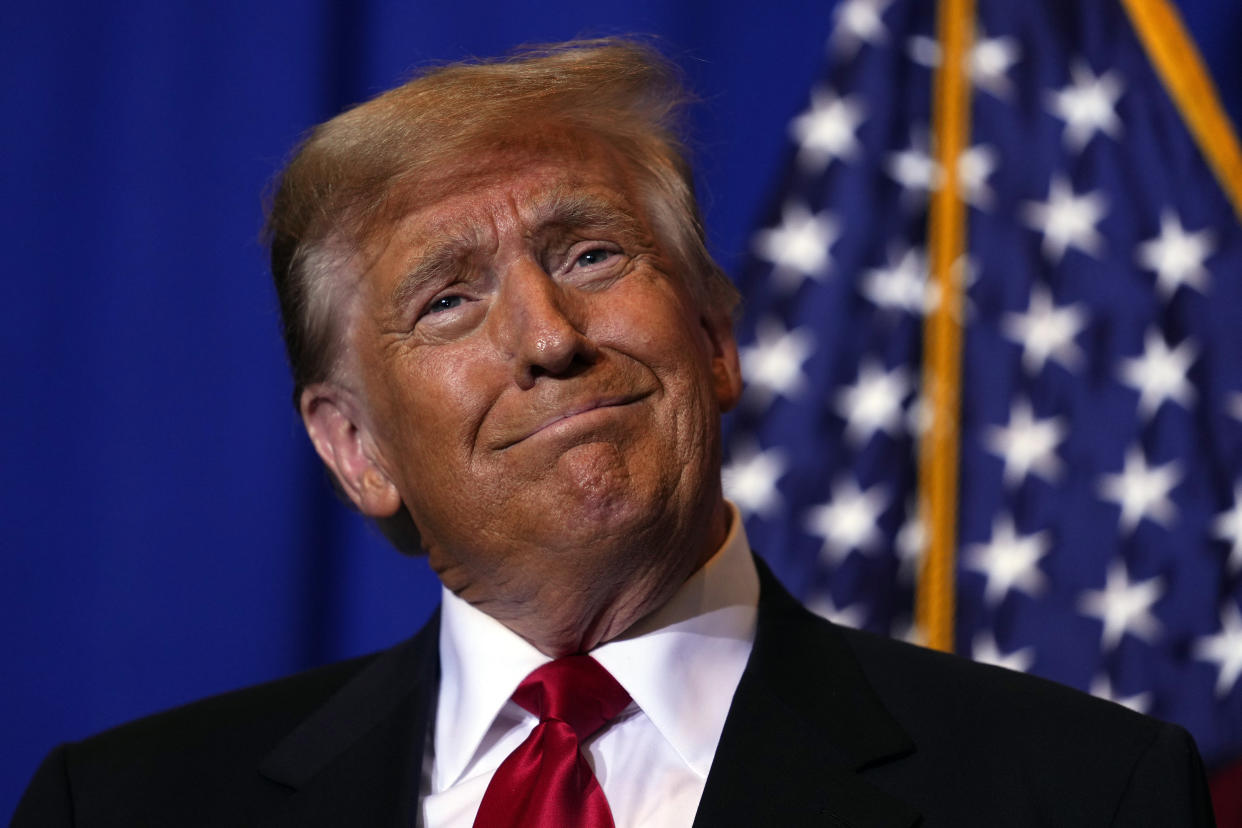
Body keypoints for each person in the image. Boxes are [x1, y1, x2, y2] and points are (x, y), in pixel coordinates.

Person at [12, 39, 1216, 827]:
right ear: (355, 449)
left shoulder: (1080, 797)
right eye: (449, 299)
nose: (548, 335)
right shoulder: (121, 810)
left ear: (717, 337)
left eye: (592, 253)